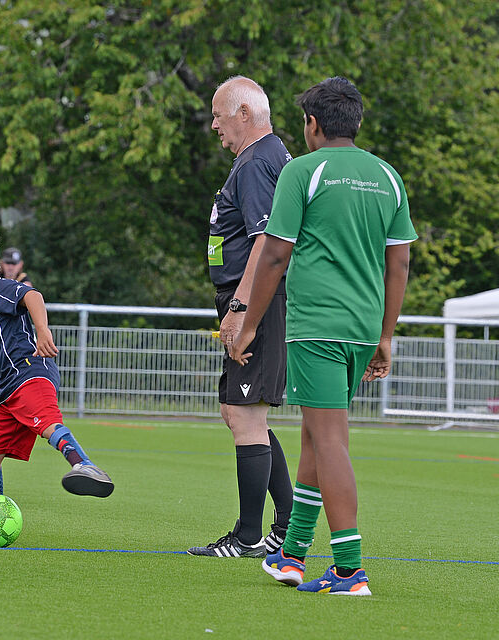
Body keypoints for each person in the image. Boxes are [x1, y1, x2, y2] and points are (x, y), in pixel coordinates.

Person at [229, 77, 415, 595]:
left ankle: (350, 568)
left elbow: (275, 253)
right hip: (360, 329)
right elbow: (398, 260)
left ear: (312, 125)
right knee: (315, 435)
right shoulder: (387, 175)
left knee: (330, 440)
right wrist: (386, 335)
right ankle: (290, 555)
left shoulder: (302, 171)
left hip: (315, 325)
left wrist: (247, 325)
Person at [0, 229, 114, 543]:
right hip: (8, 386)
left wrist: (43, 331)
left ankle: (85, 465)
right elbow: (4, 340)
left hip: (29, 374)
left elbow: (31, 296)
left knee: (48, 423)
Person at [188, 75, 295, 558]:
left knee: (247, 416)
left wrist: (239, 310)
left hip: (254, 301)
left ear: (245, 113)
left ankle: (249, 535)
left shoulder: (255, 162)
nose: (214, 125)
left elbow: (265, 242)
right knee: (237, 411)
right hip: (251, 299)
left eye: (219, 115)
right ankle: (286, 524)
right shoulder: (267, 156)